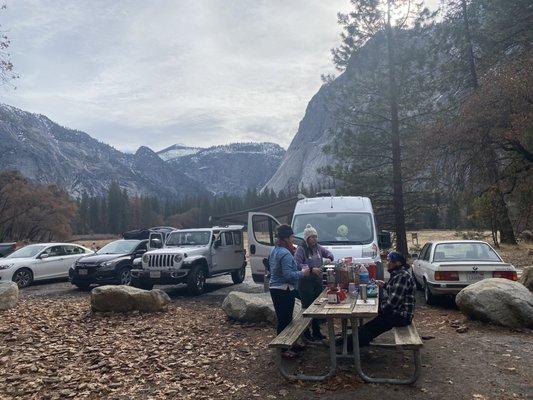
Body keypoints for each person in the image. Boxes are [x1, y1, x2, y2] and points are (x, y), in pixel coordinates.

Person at [269, 224, 316, 359]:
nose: (293, 238)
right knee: (284, 320)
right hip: (283, 289)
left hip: (278, 288)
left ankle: (291, 344)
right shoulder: (284, 253)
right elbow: (288, 275)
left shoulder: (275, 250)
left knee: (288, 319)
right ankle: (283, 349)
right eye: (292, 236)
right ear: (287, 238)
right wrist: (303, 273)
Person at [357, 251, 416, 347]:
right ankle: (352, 338)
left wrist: (379, 308)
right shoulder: (399, 273)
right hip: (397, 311)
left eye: (389, 261)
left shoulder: (402, 277)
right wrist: (384, 285)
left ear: (397, 263)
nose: (387, 263)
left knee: (371, 327)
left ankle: (346, 345)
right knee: (372, 323)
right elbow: (395, 291)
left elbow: (392, 304)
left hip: (401, 316)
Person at [295, 224, 334, 342]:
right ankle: (306, 334)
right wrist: (311, 269)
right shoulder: (301, 249)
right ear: (306, 239)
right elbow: (297, 264)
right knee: (307, 308)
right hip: (305, 282)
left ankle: (317, 332)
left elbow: (328, 253)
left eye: (315, 237)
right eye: (311, 237)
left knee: (317, 307)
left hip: (317, 281)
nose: (314, 239)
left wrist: (329, 258)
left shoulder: (317, 247)